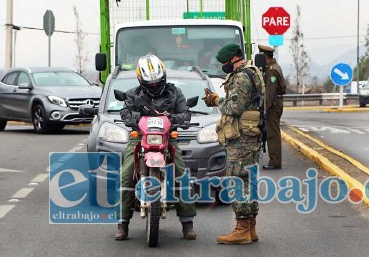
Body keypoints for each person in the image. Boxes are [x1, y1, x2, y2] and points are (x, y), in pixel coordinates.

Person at [116, 55, 197, 241]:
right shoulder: (132, 94)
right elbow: (125, 112)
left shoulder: (175, 93)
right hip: (140, 138)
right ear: (140, 80)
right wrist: (139, 118)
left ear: (164, 78)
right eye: (149, 84)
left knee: (182, 174)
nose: (154, 86)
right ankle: (122, 222)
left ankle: (187, 222)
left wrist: (172, 118)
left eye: (157, 82)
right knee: (126, 175)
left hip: (168, 139)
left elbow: (185, 113)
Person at [203, 43, 265, 244]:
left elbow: (235, 107)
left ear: (234, 59)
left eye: (224, 63)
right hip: (250, 136)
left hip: (242, 139)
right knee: (248, 180)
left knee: (237, 179)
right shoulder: (251, 72)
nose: (224, 66)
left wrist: (215, 101)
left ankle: (242, 229)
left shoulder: (241, 77)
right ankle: (250, 228)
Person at [258, 45, 287, 170]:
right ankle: (275, 160)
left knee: (272, 134)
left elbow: (270, 93)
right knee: (273, 132)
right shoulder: (272, 68)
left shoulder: (272, 71)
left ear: (266, 57)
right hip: (275, 103)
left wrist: (265, 109)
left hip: (273, 105)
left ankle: (275, 162)